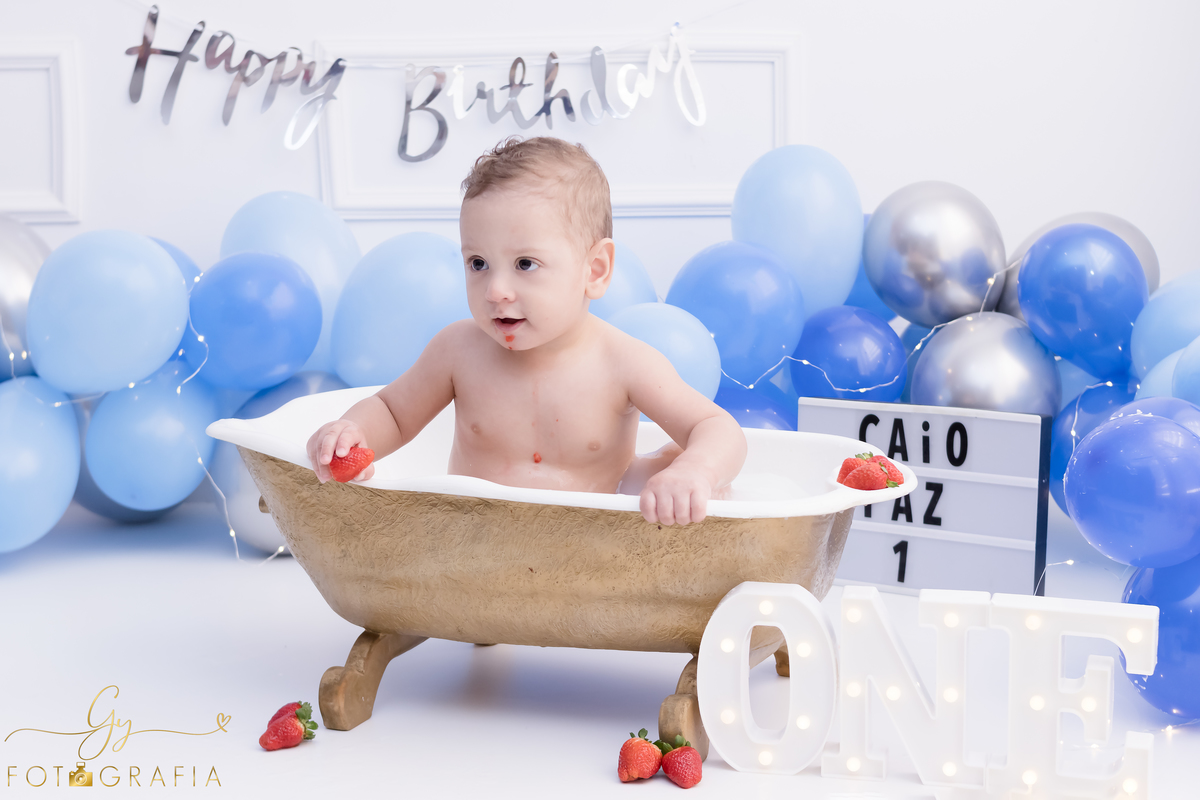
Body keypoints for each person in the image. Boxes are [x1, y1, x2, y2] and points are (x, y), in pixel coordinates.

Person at [307, 136, 745, 525]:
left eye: (525, 264)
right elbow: (392, 412)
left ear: (594, 270)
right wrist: (353, 432)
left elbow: (718, 428)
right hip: (480, 536)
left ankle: (676, 477)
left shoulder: (623, 363)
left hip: (592, 540)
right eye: (477, 263)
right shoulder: (458, 352)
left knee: (661, 477)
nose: (496, 290)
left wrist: (697, 471)